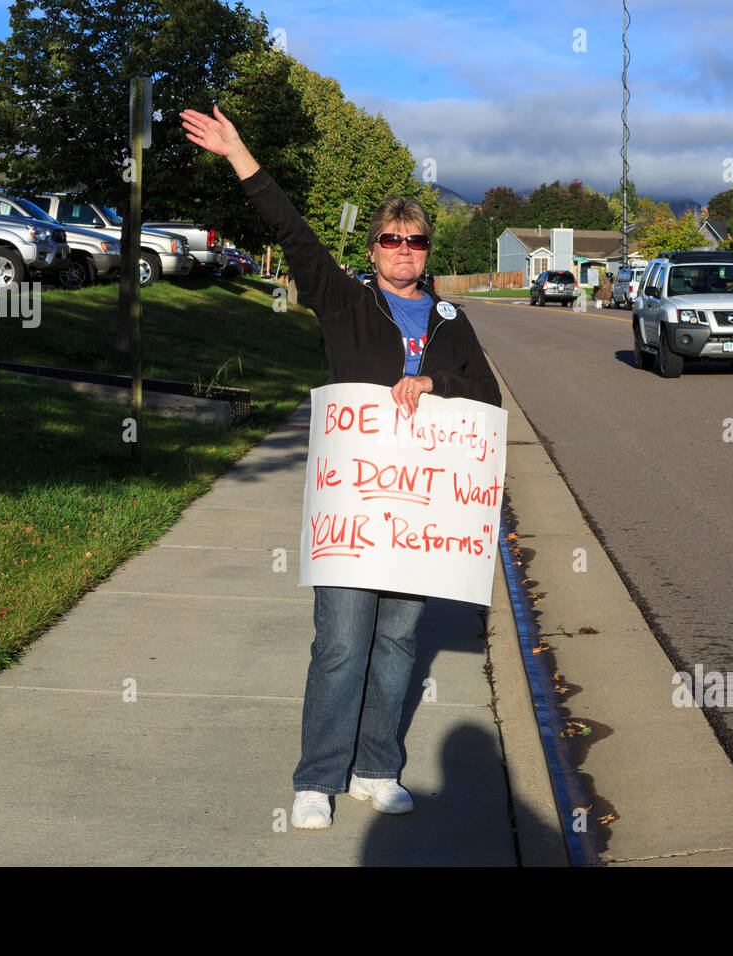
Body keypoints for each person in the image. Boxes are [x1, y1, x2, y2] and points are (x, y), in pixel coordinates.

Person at [181, 106, 502, 830]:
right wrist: (241, 154)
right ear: (375, 246)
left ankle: (375, 768)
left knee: (396, 646)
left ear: (428, 248)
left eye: (415, 241)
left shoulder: (454, 325)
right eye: (390, 239)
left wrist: (436, 384)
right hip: (357, 515)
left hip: (421, 520)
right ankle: (316, 778)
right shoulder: (345, 303)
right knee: (341, 644)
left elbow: (487, 397)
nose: (403, 250)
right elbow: (293, 232)